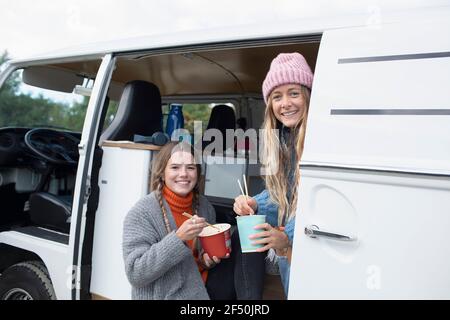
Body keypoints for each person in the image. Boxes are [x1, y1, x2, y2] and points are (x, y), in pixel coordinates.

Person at [233, 52, 313, 296]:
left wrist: (286, 241)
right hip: (289, 256)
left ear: (308, 96)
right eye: (277, 96)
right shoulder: (284, 140)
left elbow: (315, 203)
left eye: (294, 93)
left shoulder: (319, 140)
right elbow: (282, 194)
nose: (285, 103)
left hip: (312, 253)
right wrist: (255, 202)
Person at [122, 141, 229, 299]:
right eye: (175, 167)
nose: (184, 173)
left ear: (197, 173)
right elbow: (136, 273)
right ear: (162, 173)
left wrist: (206, 261)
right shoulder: (141, 213)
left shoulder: (205, 207)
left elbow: (196, 261)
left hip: (200, 289)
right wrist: (179, 238)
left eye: (190, 167)